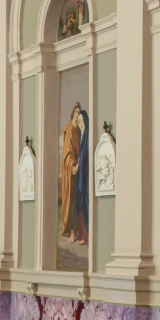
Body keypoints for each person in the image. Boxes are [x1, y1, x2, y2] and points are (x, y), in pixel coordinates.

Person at [60, 103, 83, 243]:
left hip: (77, 169)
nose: (77, 114)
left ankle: (79, 231)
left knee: (78, 199)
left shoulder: (78, 130)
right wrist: (73, 165)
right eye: (75, 111)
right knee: (72, 200)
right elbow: (68, 151)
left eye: (79, 112)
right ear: (72, 113)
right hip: (70, 170)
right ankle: (73, 233)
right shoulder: (69, 129)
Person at [75, 109, 90, 246]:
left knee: (86, 204)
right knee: (81, 205)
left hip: (86, 178)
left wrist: (80, 165)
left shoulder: (88, 135)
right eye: (78, 121)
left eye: (81, 121)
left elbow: (86, 156)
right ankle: (83, 236)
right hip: (81, 176)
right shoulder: (82, 135)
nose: (79, 123)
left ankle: (87, 236)